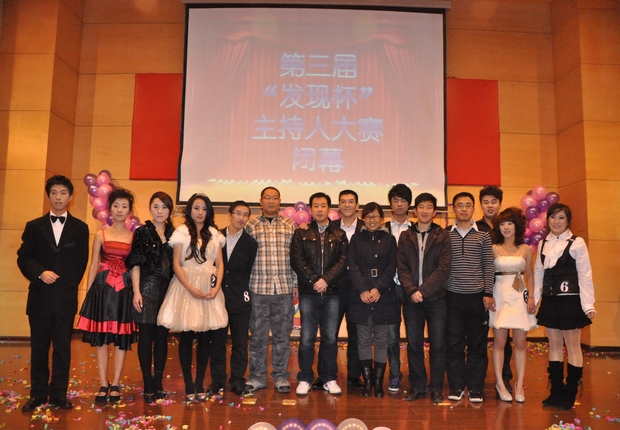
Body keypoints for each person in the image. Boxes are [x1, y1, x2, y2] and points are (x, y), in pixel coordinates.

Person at [17, 175, 89, 412]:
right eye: (54, 193)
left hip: (65, 298)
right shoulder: (34, 226)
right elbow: (23, 257)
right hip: (39, 297)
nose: (58, 197)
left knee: (62, 348)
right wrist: (40, 273)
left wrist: (65, 286)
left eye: (63, 193)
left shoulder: (81, 228)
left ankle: (59, 394)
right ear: (48, 196)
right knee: (39, 348)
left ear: (70, 197)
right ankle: (37, 394)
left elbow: (81, 263)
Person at [157, 193, 228, 401]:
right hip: (185, 286)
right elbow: (176, 264)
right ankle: (188, 384)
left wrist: (216, 288)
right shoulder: (181, 232)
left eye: (204, 209)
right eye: (196, 208)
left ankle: (199, 384)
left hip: (208, 288)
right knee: (186, 336)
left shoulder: (215, 234)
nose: (200, 212)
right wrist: (190, 288)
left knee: (205, 338)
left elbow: (220, 264)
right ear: (190, 210)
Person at [77, 188, 138, 404]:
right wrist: (88, 292)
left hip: (123, 290)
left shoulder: (134, 237)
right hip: (102, 289)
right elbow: (93, 263)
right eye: (116, 205)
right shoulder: (100, 235)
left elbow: (135, 267)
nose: (120, 210)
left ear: (130, 211)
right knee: (101, 338)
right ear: (110, 209)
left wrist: (136, 292)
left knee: (121, 338)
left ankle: (116, 383)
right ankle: (103, 382)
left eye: (124, 206)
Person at [534, 203, 595, 410]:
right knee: (554, 345)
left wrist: (588, 304)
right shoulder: (543, 243)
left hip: (570, 302)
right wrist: (535, 299)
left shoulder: (577, 243)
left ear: (568, 221)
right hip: (550, 301)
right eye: (552, 217)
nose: (556, 221)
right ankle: (556, 390)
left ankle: (571, 392)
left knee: (573, 346)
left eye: (561, 217)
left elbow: (585, 274)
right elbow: (538, 273)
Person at [291, 192, 348, 396]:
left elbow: (343, 261)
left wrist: (326, 280)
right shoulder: (301, 233)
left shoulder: (340, 234)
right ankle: (305, 378)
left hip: (332, 294)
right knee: (307, 338)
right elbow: (297, 260)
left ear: (329, 209)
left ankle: (328, 378)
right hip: (309, 293)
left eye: (323, 205)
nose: (320, 209)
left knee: (330, 338)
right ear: (310, 209)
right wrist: (315, 280)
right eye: (316, 206)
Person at [397, 193, 451, 403]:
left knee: (438, 344)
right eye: (421, 207)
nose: (425, 211)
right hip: (412, 300)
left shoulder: (442, 235)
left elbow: (443, 268)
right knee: (414, 344)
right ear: (415, 211)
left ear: (435, 212)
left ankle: (436, 388)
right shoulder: (405, 236)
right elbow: (402, 267)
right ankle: (417, 387)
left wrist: (423, 291)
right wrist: (412, 291)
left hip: (436, 299)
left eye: (429, 207)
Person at [244, 187, 298, 394]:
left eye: (275, 198)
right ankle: (257, 376)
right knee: (258, 336)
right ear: (261, 201)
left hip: (284, 288)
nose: (271, 201)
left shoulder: (290, 225)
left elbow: (296, 257)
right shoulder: (250, 226)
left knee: (282, 336)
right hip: (258, 288)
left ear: (280, 201)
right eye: (267, 197)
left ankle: (281, 376)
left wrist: (295, 283)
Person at [445, 192, 494, 403]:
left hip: (477, 299)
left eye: (467, 205)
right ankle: (456, 386)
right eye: (459, 205)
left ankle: (475, 388)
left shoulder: (483, 235)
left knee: (478, 345)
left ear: (474, 209)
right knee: (454, 344)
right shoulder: (445, 235)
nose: (463, 209)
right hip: (452, 298)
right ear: (453, 209)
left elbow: (488, 266)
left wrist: (488, 293)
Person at [126, 192, 174, 402]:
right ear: (150, 208)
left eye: (164, 207)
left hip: (168, 290)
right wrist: (136, 291)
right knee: (146, 337)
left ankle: (158, 383)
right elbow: (135, 263)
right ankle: (147, 383)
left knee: (162, 338)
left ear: (170, 210)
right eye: (156, 206)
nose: (160, 211)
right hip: (146, 288)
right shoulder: (142, 232)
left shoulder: (176, 234)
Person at [348, 202, 399, 398]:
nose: (372, 220)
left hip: (383, 296)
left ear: (382, 219)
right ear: (363, 219)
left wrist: (378, 288)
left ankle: (378, 383)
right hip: (360, 296)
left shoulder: (390, 239)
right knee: (362, 339)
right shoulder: (356, 238)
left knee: (381, 339)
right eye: (368, 216)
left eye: (375, 216)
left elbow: (391, 266)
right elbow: (352, 265)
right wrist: (362, 289)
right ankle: (367, 381)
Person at [490, 207, 537, 403]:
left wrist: (532, 297)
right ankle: (500, 383)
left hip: (519, 297)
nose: (506, 227)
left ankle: (519, 384)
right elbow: (487, 274)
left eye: (510, 223)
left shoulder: (525, 249)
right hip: (499, 296)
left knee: (520, 343)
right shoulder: (493, 248)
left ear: (517, 226)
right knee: (499, 342)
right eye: (502, 224)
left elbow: (530, 275)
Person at [476, 185, 514, 394]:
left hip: (504, 290)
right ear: (480, 204)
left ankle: (505, 379)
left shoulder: (507, 227)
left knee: (504, 339)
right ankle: (478, 380)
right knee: (479, 336)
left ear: (500, 203)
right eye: (486, 202)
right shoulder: (475, 227)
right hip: (481, 290)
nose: (490, 206)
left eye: (494, 202)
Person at [220, 201, 258, 396]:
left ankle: (237, 379)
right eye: (238, 213)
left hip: (240, 297)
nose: (241, 218)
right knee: (217, 341)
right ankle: (218, 380)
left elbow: (249, 271)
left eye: (245, 215)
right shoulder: (216, 237)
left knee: (240, 341)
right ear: (230, 214)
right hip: (216, 296)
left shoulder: (251, 243)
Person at [384, 183, 412, 393]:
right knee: (391, 335)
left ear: (409, 204)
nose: (399, 204)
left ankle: (416, 374)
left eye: (403, 200)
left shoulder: (417, 228)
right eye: (395, 200)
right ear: (390, 204)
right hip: (389, 288)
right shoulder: (382, 228)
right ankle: (394, 374)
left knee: (414, 334)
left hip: (412, 288)